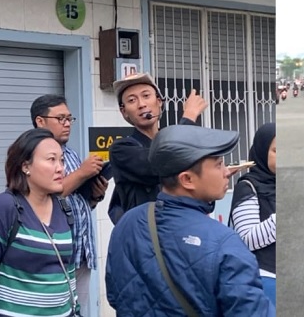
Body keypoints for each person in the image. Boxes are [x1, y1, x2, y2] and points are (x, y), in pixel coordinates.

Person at [106, 125, 275, 316]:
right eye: (218, 164)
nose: (227, 171)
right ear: (187, 179)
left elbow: (114, 294)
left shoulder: (128, 222)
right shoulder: (224, 242)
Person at [0, 128, 78, 316]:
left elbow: (69, 270)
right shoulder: (4, 207)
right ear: (26, 166)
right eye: (51, 160)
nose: (60, 168)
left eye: (62, 160)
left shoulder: (63, 208)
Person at [31, 96, 107, 316]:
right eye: (60, 118)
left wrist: (94, 196)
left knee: (78, 311)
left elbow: (75, 201)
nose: (67, 123)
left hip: (82, 252)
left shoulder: (71, 153)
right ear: (40, 121)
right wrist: (82, 173)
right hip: (56, 255)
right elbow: (44, 195)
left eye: (69, 118)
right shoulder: (33, 155)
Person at [107, 73, 208, 223]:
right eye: (132, 100)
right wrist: (188, 119)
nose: (141, 104)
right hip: (147, 237)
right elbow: (161, 163)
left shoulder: (178, 141)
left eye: (146, 96)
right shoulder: (122, 149)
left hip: (183, 229)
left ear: (159, 102)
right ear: (124, 112)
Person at [229, 123, 276, 305]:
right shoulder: (248, 186)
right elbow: (247, 239)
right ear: (263, 152)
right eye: (276, 150)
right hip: (266, 278)